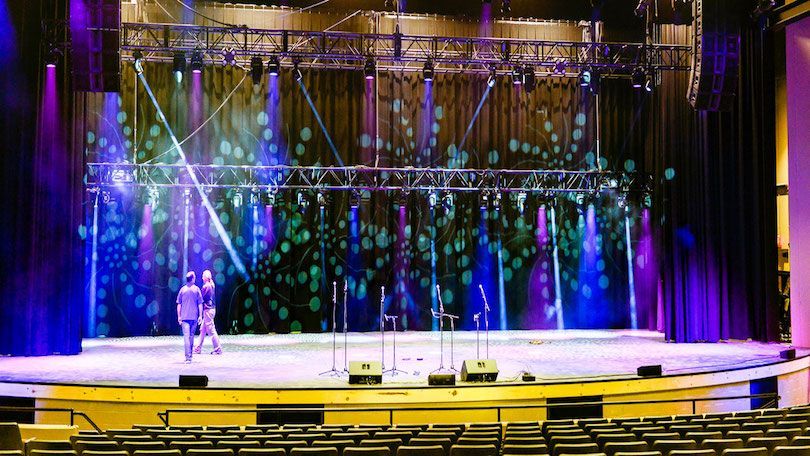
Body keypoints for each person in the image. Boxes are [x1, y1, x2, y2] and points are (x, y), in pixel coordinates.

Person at [176, 271, 203, 363]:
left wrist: (179, 316)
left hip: (184, 317)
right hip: (194, 317)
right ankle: (189, 356)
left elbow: (179, 304)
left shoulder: (182, 290)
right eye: (194, 277)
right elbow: (200, 304)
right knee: (190, 337)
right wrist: (200, 316)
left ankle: (188, 357)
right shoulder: (197, 289)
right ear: (192, 279)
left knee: (187, 337)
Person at [194, 270, 222, 355]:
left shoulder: (206, 286)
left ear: (206, 277)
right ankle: (198, 348)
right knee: (203, 330)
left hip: (208, 310)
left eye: (203, 275)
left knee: (211, 330)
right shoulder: (211, 285)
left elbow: (201, 298)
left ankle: (218, 349)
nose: (202, 277)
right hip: (211, 309)